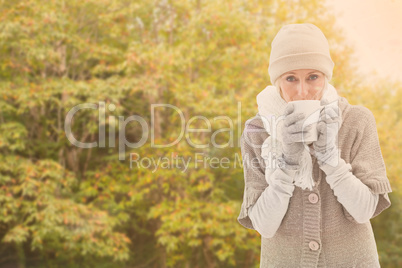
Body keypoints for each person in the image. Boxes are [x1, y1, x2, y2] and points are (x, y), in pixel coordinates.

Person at [237, 23, 393, 267]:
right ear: (277, 80)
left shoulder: (357, 121)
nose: (303, 91)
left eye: (313, 77)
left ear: (326, 77)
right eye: (290, 78)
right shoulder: (256, 132)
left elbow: (364, 211)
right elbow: (264, 226)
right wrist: (287, 163)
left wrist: (330, 158)